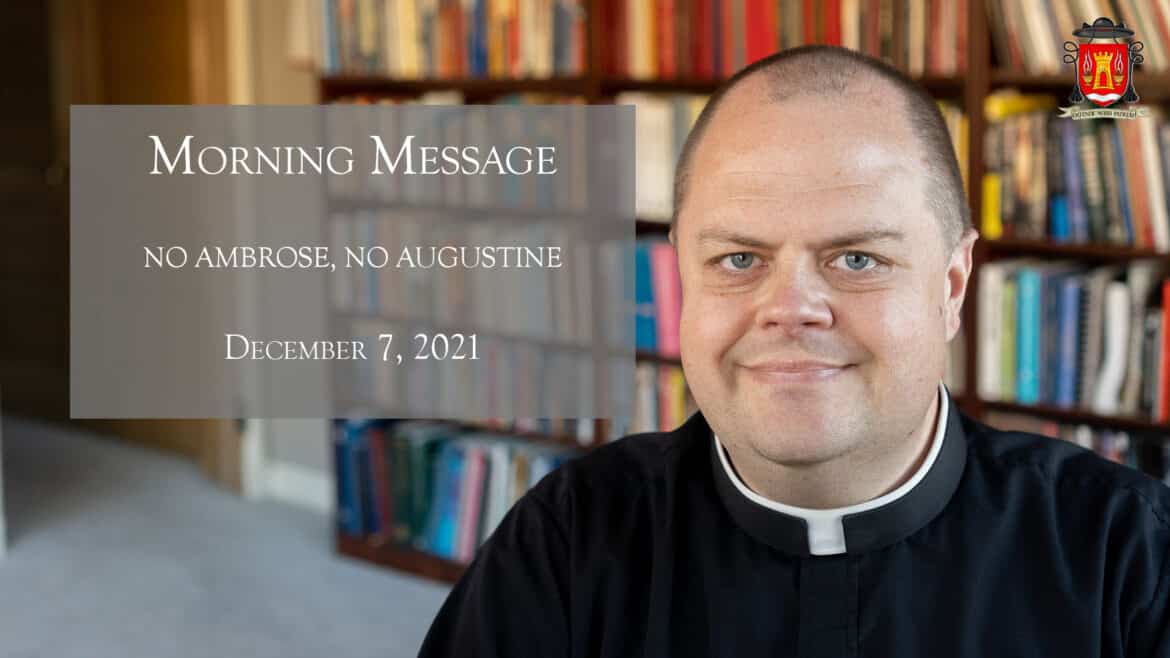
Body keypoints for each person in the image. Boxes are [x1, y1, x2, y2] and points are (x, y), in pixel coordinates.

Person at [417, 45, 1170, 657]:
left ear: (950, 285)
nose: (789, 309)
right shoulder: (567, 539)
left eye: (858, 258)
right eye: (739, 259)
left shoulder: (1127, 552)